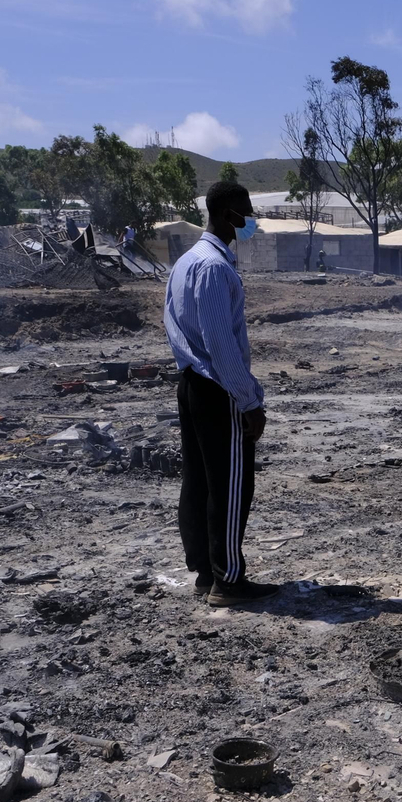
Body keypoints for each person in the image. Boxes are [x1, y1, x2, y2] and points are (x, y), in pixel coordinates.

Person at [163, 181, 278, 604]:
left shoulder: (184, 263)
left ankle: (205, 571)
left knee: (199, 480)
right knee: (231, 484)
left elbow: (175, 329)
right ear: (227, 213)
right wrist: (249, 401)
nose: (249, 221)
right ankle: (228, 579)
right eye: (245, 212)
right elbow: (221, 345)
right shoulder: (214, 268)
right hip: (217, 389)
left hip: (191, 384)